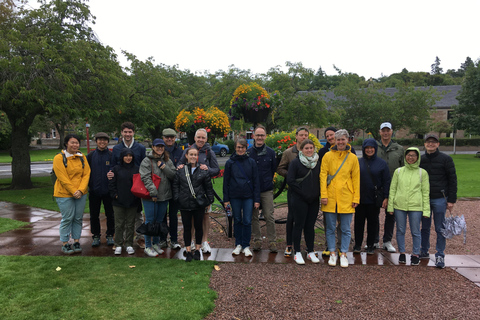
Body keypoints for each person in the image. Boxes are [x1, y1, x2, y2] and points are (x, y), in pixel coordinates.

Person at [320, 129, 360, 268]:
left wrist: (356, 197)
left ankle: (343, 253)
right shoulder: (327, 156)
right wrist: (323, 195)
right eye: (338, 139)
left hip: (346, 197)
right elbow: (323, 176)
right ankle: (332, 252)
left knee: (345, 228)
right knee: (330, 228)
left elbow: (356, 178)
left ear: (347, 140)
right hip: (330, 197)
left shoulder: (353, 158)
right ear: (334, 141)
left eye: (343, 139)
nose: (341, 142)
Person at [178, 128, 220, 253]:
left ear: (206, 139)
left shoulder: (209, 152)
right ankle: (191, 241)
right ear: (195, 138)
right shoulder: (187, 151)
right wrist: (179, 166)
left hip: (203, 191)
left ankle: (204, 241)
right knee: (191, 217)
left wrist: (207, 169)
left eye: (203, 138)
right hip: (189, 190)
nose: (201, 140)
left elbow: (216, 169)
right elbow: (179, 165)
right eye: (198, 137)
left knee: (205, 216)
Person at [419, 134, 457, 268]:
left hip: (440, 198)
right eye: (428, 142)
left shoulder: (446, 159)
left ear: (438, 144)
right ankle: (424, 250)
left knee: (440, 228)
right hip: (425, 198)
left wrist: (451, 199)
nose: (430, 144)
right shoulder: (421, 159)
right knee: (425, 227)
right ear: (424, 144)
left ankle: (440, 254)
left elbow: (452, 179)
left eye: (433, 142)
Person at [388, 147, 430, 265]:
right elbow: (393, 189)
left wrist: (426, 211)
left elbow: (425, 193)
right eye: (408, 155)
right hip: (399, 205)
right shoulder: (399, 171)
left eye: (413, 155)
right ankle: (402, 253)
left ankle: (415, 254)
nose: (410, 157)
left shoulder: (423, 173)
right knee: (400, 230)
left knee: (415, 231)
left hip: (416, 206)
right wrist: (390, 206)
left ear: (417, 157)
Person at [173, 148, 215, 262]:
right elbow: (176, 185)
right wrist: (178, 198)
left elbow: (208, 187)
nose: (193, 156)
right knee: (187, 228)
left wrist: (209, 200)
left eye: (195, 155)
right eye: (191, 154)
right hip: (185, 203)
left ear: (197, 156)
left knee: (198, 227)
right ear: (186, 156)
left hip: (199, 203)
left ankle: (197, 249)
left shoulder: (202, 170)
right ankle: (188, 250)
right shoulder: (181, 170)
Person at [109, 122, 146, 249]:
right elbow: (113, 166)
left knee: (137, 214)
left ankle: (140, 237)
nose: (128, 134)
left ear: (133, 133)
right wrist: (110, 174)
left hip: (136, 186)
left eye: (130, 132)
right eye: (125, 132)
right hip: (121, 184)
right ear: (122, 133)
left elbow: (143, 166)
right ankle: (122, 239)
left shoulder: (140, 148)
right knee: (121, 216)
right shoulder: (117, 149)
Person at [53, 134, 91, 254]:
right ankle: (65, 243)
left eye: (77, 143)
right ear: (66, 144)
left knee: (78, 218)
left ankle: (76, 241)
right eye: (72, 142)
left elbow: (86, 174)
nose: (75, 145)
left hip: (81, 193)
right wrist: (73, 191)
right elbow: (62, 177)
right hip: (64, 194)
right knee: (67, 218)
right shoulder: (59, 158)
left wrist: (80, 190)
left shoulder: (81, 157)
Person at [223, 138, 260, 257]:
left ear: (246, 148)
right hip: (234, 195)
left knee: (247, 221)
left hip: (248, 196)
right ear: (235, 147)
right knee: (237, 219)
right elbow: (226, 182)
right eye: (238, 147)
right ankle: (238, 244)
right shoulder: (230, 163)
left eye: (243, 147)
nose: (240, 149)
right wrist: (226, 199)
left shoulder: (251, 162)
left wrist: (256, 199)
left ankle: (246, 245)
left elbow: (256, 182)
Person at [353, 138, 391, 254]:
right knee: (358, 223)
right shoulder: (358, 162)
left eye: (371, 148)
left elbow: (386, 181)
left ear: (375, 148)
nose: (369, 150)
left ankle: (370, 245)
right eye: (367, 148)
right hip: (360, 197)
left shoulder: (382, 163)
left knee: (372, 223)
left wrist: (386, 197)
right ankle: (358, 244)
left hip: (374, 198)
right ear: (364, 149)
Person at [277, 126, 310, 257]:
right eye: (301, 135)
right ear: (296, 136)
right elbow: (280, 168)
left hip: (308, 190)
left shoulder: (311, 152)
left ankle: (308, 245)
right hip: (294, 190)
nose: (303, 137)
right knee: (291, 217)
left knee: (307, 219)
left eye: (306, 135)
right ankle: (289, 245)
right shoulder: (289, 153)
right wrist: (291, 176)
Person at [140, 138, 176, 257]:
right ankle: (147, 246)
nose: (160, 148)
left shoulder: (167, 160)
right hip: (151, 197)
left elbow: (173, 175)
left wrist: (164, 167)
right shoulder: (147, 161)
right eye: (157, 146)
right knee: (150, 221)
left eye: (162, 146)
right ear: (153, 147)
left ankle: (155, 244)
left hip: (164, 197)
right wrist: (153, 192)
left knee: (159, 222)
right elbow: (145, 177)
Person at [286, 139, 321, 265]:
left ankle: (310, 250)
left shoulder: (317, 162)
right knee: (299, 225)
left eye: (311, 148)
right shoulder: (295, 163)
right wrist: (303, 193)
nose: (309, 150)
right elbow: (290, 180)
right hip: (300, 199)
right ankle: (297, 252)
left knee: (310, 226)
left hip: (314, 200)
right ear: (301, 149)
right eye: (306, 148)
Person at [248, 125, 278, 253]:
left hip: (266, 189)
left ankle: (272, 242)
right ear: (253, 136)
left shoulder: (271, 153)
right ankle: (257, 240)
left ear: (265, 137)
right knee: (253, 216)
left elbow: (273, 170)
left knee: (269, 216)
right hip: (252, 190)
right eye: (258, 135)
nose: (260, 137)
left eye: (262, 135)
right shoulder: (248, 152)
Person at [376, 122, 404, 253]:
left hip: (394, 186)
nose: (385, 133)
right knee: (373, 215)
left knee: (390, 214)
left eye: (388, 130)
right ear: (380, 132)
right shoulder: (374, 147)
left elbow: (404, 168)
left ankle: (387, 241)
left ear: (391, 131)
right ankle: (374, 240)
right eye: (383, 130)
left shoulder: (399, 148)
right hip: (377, 186)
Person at [109, 148, 141, 255]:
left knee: (130, 224)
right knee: (119, 224)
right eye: (126, 156)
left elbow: (139, 184)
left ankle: (129, 244)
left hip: (132, 201)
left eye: (130, 156)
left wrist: (136, 197)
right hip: (118, 201)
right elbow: (112, 184)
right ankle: (118, 244)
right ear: (122, 157)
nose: (128, 158)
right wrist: (115, 195)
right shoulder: (116, 169)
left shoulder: (137, 169)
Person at [87, 132, 115, 247]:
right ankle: (96, 235)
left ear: (107, 142)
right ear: (96, 141)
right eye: (100, 140)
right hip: (94, 191)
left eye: (104, 140)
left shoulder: (111, 155)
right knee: (94, 215)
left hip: (108, 191)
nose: (102, 142)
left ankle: (110, 235)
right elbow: (86, 173)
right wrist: (90, 185)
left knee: (110, 214)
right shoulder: (90, 156)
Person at [159, 128, 184, 250]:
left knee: (173, 215)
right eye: (167, 137)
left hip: (175, 187)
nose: (169, 139)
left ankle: (174, 239)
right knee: (162, 215)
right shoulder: (159, 151)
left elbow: (179, 169)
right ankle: (163, 239)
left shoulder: (180, 151)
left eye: (172, 137)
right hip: (162, 187)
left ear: (175, 138)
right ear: (163, 138)